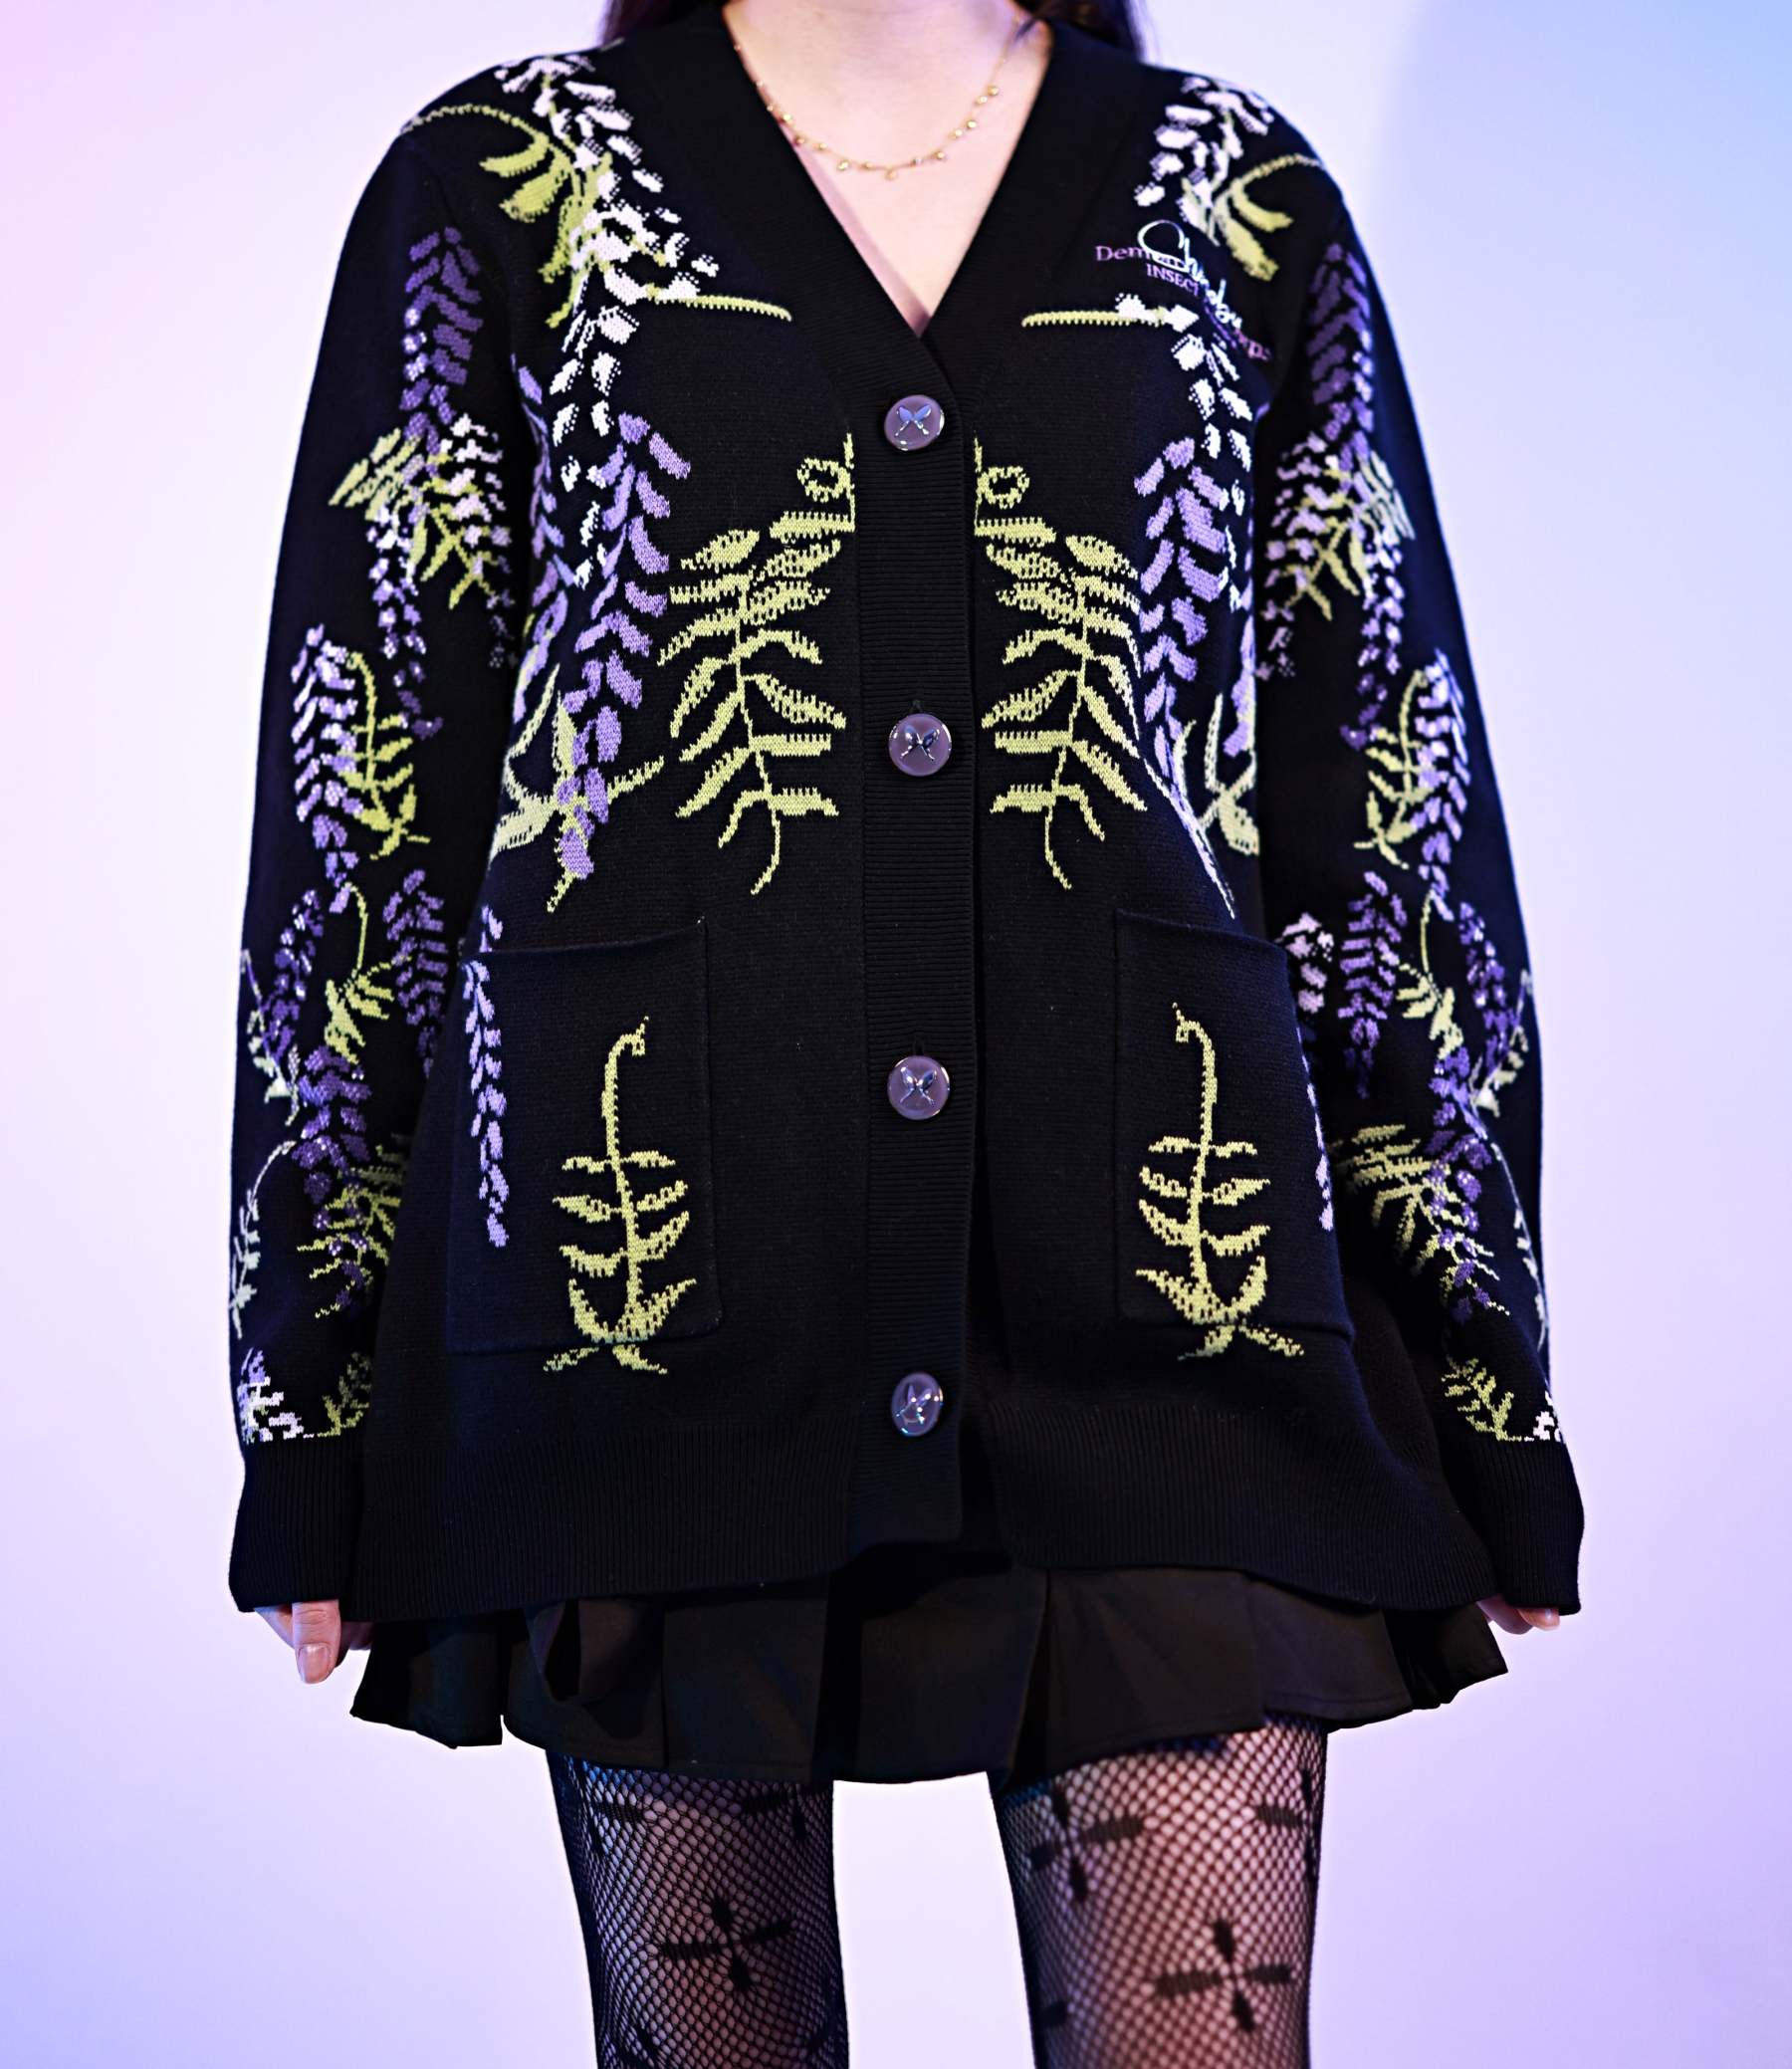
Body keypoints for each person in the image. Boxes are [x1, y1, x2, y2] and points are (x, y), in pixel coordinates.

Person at [225, 0, 1587, 2060]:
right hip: (650, 1339)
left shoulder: (1234, 202)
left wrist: (1486, 1376)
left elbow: (1382, 794)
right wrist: (309, 1411)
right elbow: (366, 813)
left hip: (1178, 1332)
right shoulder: (501, 194)